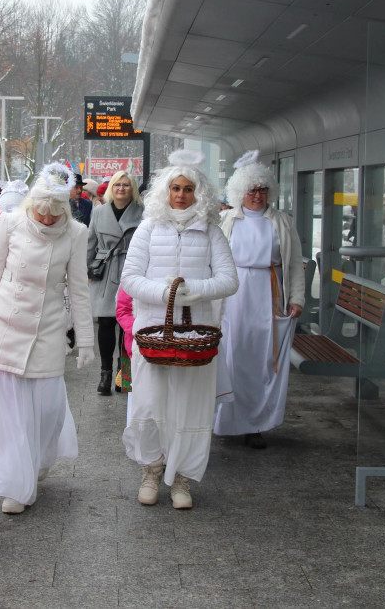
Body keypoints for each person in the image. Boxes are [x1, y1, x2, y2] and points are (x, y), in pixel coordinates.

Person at [120, 149, 238, 510]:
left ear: (198, 193)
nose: (181, 195)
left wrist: (194, 291)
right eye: (175, 188)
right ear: (165, 191)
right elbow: (130, 278)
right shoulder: (148, 228)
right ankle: (152, 470)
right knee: (151, 401)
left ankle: (183, 478)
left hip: (195, 336)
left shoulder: (212, 232)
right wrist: (165, 292)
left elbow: (229, 280)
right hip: (152, 332)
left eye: (188, 189)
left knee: (190, 406)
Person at [0, 162, 96, 514]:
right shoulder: (11, 223)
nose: (46, 220)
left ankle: (42, 454)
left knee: (48, 409)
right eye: (41, 213)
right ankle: (16, 485)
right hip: (7, 322)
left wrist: (86, 340)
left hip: (49, 326)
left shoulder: (76, 234)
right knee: (13, 413)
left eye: (54, 215)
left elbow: (78, 290)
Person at [213, 150, 304, 449]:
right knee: (232, 355)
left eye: (263, 189)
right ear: (241, 191)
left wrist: (297, 298)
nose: (257, 195)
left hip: (268, 293)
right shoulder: (225, 220)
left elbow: (293, 264)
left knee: (262, 360)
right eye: (252, 190)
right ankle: (226, 420)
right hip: (233, 297)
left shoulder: (282, 222)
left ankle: (255, 424)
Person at [87, 170, 143, 395]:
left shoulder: (143, 212)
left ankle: (125, 375)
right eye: (117, 185)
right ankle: (105, 375)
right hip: (106, 272)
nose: (121, 189)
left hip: (132, 271)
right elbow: (90, 242)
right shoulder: (99, 212)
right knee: (106, 325)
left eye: (126, 185)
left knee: (129, 327)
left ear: (133, 189)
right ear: (111, 188)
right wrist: (87, 269)